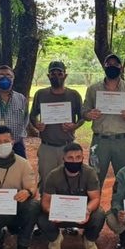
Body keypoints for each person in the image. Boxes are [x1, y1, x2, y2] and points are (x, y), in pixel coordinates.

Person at [82, 54, 125, 189]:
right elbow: (84, 112)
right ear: (104, 66)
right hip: (99, 142)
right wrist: (89, 114)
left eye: (116, 64)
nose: (112, 67)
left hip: (122, 141)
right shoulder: (93, 89)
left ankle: (120, 209)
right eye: (109, 64)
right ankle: (94, 209)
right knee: (94, 179)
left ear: (121, 67)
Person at [37, 143, 106, 249]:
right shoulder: (53, 175)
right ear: (63, 158)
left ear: (83, 158)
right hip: (59, 215)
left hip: (83, 215)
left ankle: (89, 239)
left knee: (99, 214)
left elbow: (95, 198)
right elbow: (45, 201)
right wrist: (51, 211)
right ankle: (55, 238)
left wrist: (87, 210)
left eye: (78, 157)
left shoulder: (89, 173)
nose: (74, 161)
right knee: (41, 217)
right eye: (70, 158)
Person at [30, 61, 83, 190]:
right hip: (47, 146)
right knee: (46, 181)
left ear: (65, 76)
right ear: (48, 76)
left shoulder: (73, 95)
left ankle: (66, 206)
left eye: (60, 73)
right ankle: (45, 207)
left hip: (67, 146)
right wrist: (37, 125)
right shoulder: (41, 94)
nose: (56, 76)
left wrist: (74, 126)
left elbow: (82, 117)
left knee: (70, 179)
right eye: (53, 74)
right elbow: (32, 115)